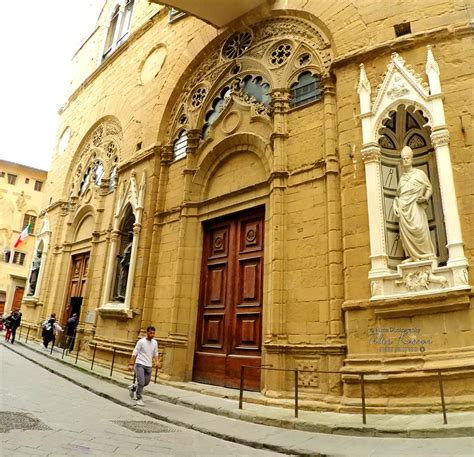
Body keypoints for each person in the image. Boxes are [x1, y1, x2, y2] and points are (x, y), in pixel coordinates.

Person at [393, 146, 436, 263]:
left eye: (407, 158)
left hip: (416, 206)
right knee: (407, 233)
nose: (405, 160)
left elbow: (429, 188)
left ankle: (427, 254)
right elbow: (398, 195)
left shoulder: (419, 174)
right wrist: (396, 205)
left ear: (412, 159)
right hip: (403, 209)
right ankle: (413, 257)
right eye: (403, 158)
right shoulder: (402, 178)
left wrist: (425, 197)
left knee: (419, 227)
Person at [127, 326, 160, 407]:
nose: (152, 335)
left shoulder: (155, 342)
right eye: (150, 333)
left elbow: (155, 353)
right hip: (140, 364)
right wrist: (131, 364)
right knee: (141, 382)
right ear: (147, 332)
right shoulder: (141, 341)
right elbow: (135, 352)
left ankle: (133, 387)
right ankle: (139, 398)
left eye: (153, 333)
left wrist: (157, 361)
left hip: (149, 365)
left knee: (146, 382)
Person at [116, 232, 133, 300]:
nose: (127, 237)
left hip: (126, 266)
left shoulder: (132, 245)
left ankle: (122, 295)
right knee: (121, 280)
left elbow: (130, 256)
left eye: (129, 236)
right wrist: (120, 257)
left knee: (124, 280)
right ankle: (120, 294)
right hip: (124, 265)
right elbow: (125, 256)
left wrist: (127, 262)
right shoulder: (128, 245)